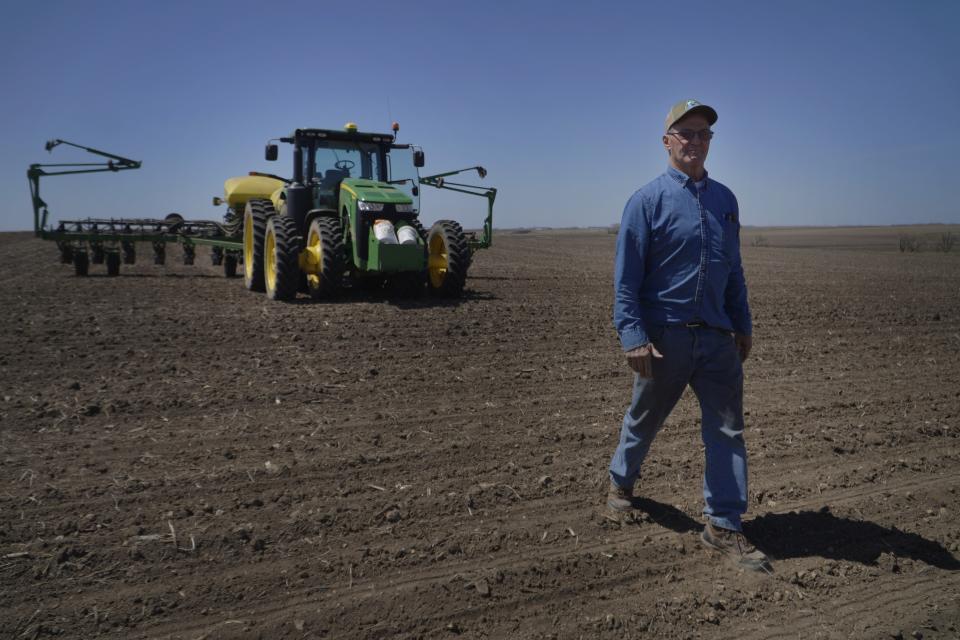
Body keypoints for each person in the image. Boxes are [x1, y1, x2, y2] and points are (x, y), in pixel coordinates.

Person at [606, 99, 769, 571]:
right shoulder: (646, 201)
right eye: (686, 133)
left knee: (727, 430)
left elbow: (733, 271)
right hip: (665, 338)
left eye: (703, 134)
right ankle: (620, 482)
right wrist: (633, 335)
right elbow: (626, 281)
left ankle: (723, 524)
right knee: (644, 418)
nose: (695, 142)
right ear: (667, 141)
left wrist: (742, 324)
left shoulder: (726, 201)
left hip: (718, 339)